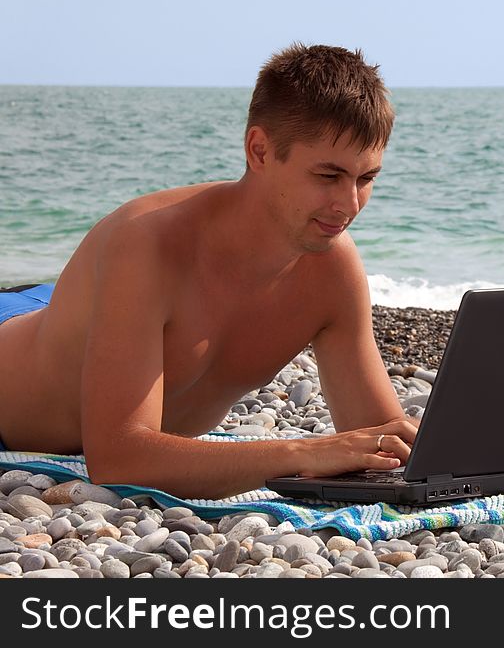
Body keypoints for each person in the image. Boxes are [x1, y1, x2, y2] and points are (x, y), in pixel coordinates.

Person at [0, 44, 420, 499]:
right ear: (259, 151)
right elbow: (117, 459)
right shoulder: (147, 244)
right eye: (327, 176)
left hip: (75, 308)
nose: (350, 205)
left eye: (366, 179)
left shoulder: (331, 267)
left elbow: (379, 440)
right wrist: (300, 453)